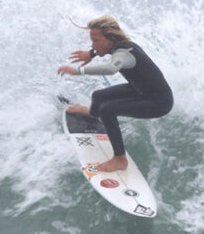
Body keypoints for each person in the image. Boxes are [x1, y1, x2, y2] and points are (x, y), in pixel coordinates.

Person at [57, 15, 173, 172]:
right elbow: (110, 50)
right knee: (99, 96)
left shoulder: (124, 54)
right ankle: (93, 114)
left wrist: (78, 71)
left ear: (111, 38)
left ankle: (120, 159)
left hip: (158, 103)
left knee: (107, 110)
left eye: (96, 41)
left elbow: (111, 68)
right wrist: (92, 53)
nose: (93, 44)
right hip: (140, 90)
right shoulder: (121, 45)